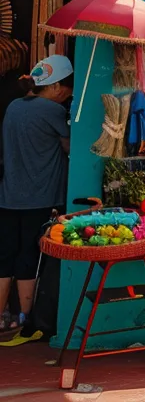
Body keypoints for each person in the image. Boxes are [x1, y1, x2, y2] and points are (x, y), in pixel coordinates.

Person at [0, 56, 72, 346]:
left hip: (8, 197)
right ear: (54, 87)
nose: (67, 93)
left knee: (4, 256)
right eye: (66, 88)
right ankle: (25, 317)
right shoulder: (52, 111)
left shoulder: (13, 108)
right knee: (30, 257)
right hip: (40, 197)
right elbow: (70, 145)